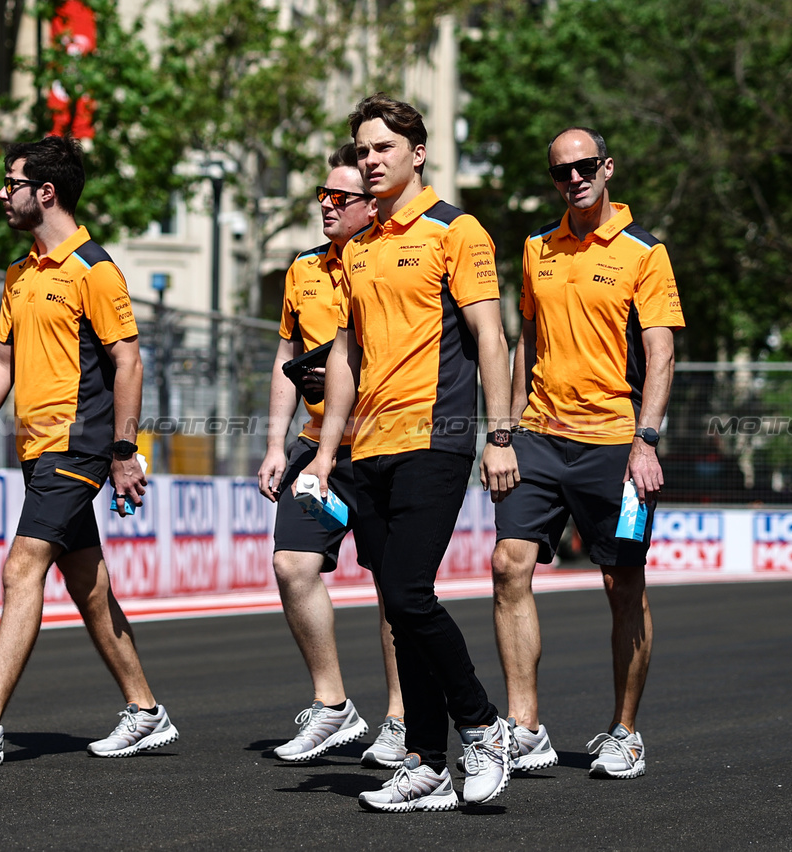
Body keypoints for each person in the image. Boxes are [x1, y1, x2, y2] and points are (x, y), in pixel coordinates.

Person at [0, 135, 175, 765]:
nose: (3, 193)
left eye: (13, 183)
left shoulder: (95, 269)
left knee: (20, 568)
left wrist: (123, 450)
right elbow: (2, 361)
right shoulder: (19, 274)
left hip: (78, 446)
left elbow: (128, 362)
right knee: (88, 588)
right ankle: (145, 712)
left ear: (46, 192)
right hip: (36, 449)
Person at [299, 94, 519, 813]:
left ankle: (483, 728)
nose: (370, 161)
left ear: (416, 153)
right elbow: (343, 356)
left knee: (411, 592)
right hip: (367, 444)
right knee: (396, 601)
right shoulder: (356, 246)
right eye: (361, 151)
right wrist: (326, 454)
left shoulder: (457, 231)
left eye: (382, 148)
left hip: (438, 436)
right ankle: (426, 760)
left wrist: (500, 433)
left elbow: (493, 338)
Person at [491, 127, 685, 780]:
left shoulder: (644, 253)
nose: (573, 179)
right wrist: (507, 432)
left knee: (621, 583)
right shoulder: (535, 248)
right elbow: (526, 341)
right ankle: (524, 726)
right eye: (560, 172)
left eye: (583, 167)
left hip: (612, 442)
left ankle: (626, 731)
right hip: (540, 437)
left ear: (606, 168)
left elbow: (660, 353)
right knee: (507, 566)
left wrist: (647, 440)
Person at [257, 143, 406, 768]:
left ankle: (401, 717)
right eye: (322, 195)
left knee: (394, 588)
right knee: (293, 565)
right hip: (318, 448)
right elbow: (285, 358)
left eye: (338, 198)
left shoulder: (396, 262)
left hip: (385, 445)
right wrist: (272, 444)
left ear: (371, 206)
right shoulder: (303, 269)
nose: (325, 206)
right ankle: (333, 705)